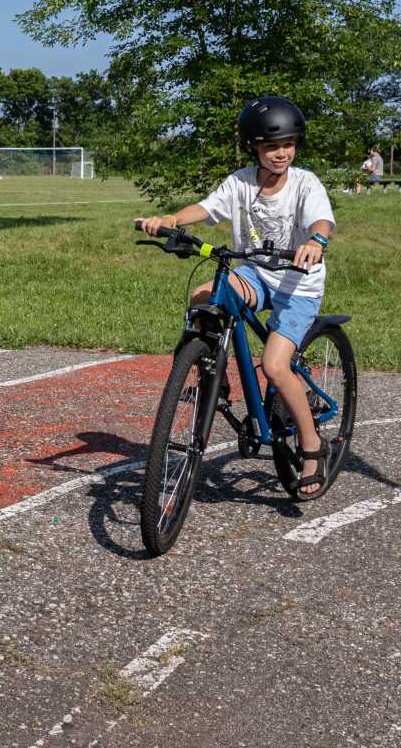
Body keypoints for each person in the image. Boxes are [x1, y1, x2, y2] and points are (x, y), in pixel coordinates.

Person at [133, 96, 337, 497]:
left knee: (275, 366)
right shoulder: (241, 182)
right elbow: (207, 208)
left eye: (288, 145)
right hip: (256, 275)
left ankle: (312, 444)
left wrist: (316, 241)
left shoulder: (305, 183)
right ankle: (214, 374)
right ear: (254, 148)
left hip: (298, 284)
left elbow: (321, 220)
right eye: (271, 147)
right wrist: (171, 219)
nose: (281, 153)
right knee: (203, 295)